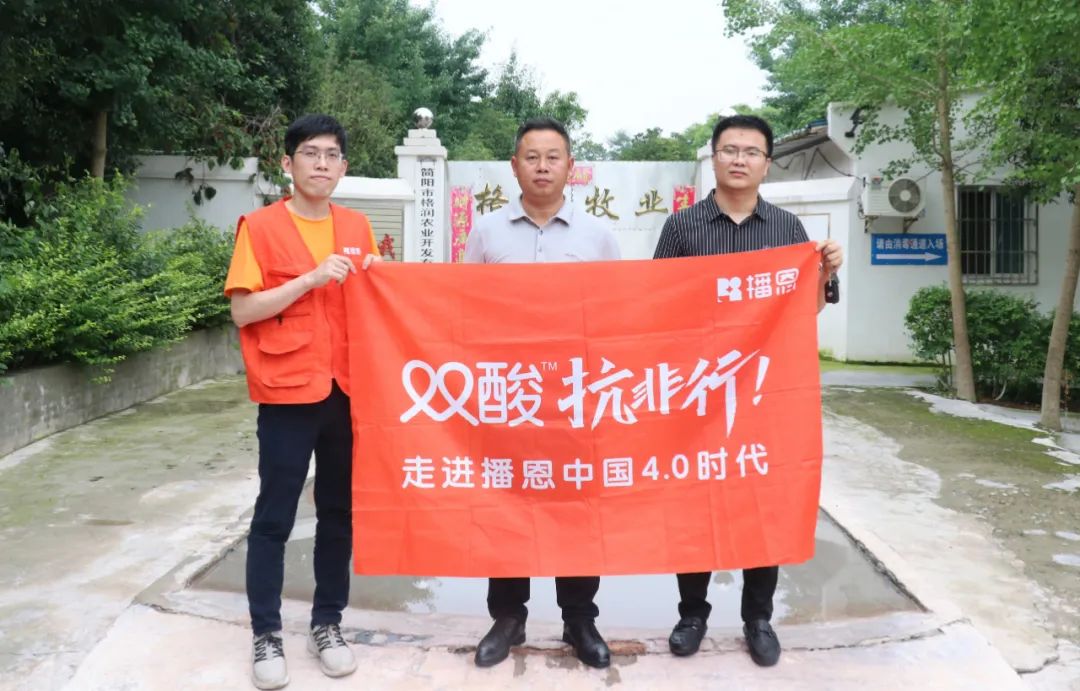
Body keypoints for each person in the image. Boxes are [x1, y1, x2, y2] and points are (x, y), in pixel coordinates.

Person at [652, 114, 844, 668]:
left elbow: (804, 311)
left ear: (767, 163)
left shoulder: (786, 230)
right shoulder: (683, 228)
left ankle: (758, 618)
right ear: (713, 157)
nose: (739, 159)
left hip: (764, 392)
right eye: (730, 149)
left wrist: (826, 271)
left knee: (763, 500)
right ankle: (692, 614)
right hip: (698, 391)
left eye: (751, 151)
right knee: (697, 501)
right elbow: (655, 307)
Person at [224, 113, 379, 690]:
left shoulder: (357, 226)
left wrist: (380, 277)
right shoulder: (261, 227)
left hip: (346, 392)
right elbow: (243, 310)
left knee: (339, 514)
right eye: (311, 153)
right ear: (287, 164)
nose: (322, 163)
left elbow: (374, 301)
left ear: (343, 166)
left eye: (332, 154)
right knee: (274, 516)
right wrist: (310, 280)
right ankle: (266, 633)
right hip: (287, 391)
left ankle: (327, 624)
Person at [463, 117, 620, 669]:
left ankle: (579, 619)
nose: (543, 167)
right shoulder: (486, 232)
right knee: (507, 501)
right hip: (509, 395)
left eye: (554, 157)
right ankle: (508, 617)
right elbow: (463, 308)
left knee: (576, 504)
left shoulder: (597, 236)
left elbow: (615, 315)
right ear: (515, 166)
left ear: (570, 166)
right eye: (532, 157)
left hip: (576, 398)